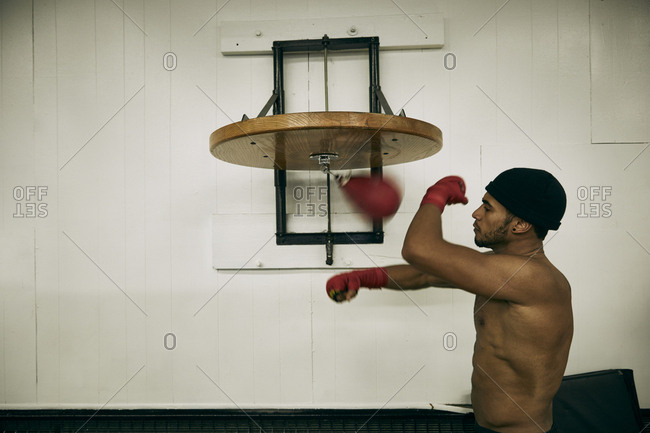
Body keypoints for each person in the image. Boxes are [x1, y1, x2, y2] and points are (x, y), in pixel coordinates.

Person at [326, 168, 572, 433]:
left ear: (520, 225)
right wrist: (364, 278)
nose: (476, 213)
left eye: (488, 209)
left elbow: (419, 250)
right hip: (485, 426)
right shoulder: (504, 269)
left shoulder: (535, 279)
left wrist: (436, 195)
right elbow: (426, 275)